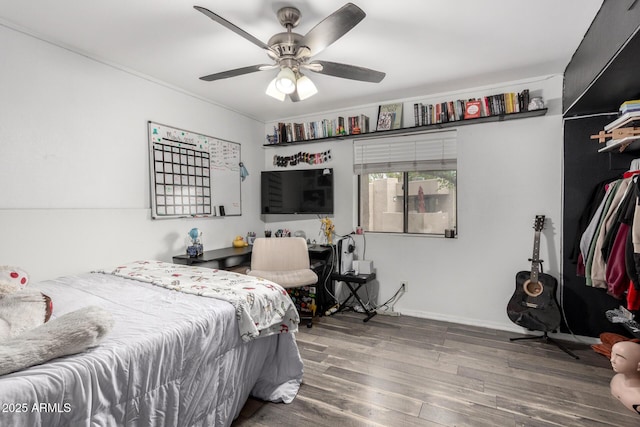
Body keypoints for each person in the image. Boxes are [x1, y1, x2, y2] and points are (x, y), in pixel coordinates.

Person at [610, 340, 640, 414]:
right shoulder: (616, 379)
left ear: (639, 366)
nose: (612, 360)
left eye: (620, 358)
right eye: (612, 354)